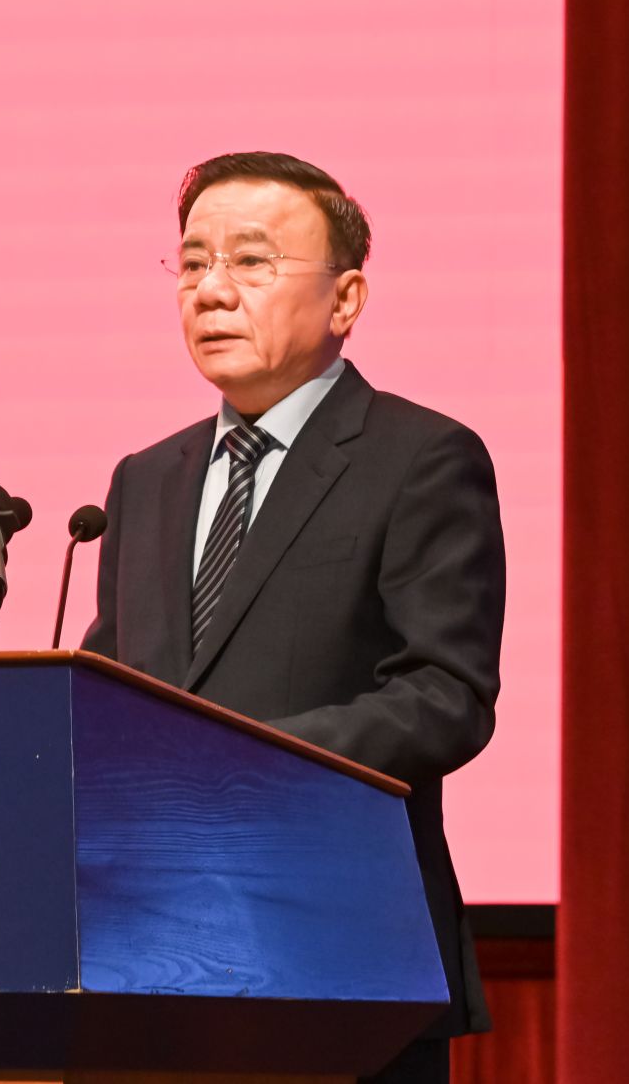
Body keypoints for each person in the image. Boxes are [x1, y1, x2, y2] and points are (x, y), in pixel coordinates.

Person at [82, 151, 505, 1084]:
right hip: (143, 966)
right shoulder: (144, 480)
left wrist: (246, 763)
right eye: (193, 263)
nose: (211, 290)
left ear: (345, 299)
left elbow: (446, 693)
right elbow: (111, 697)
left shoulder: (421, 457)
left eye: (251, 261)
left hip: (337, 964)